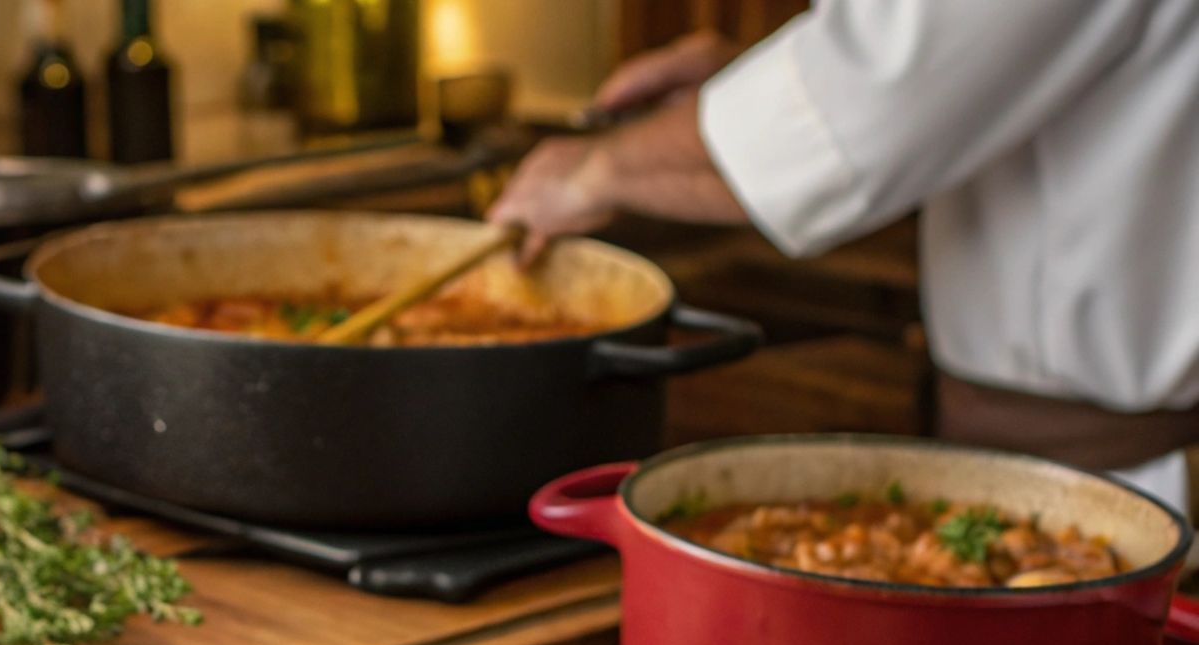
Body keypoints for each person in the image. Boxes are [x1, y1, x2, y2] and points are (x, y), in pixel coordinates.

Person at [488, 5, 1199, 518]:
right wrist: (754, 83)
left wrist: (593, 171)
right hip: (1058, 478)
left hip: (1123, 497)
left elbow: (872, 105)